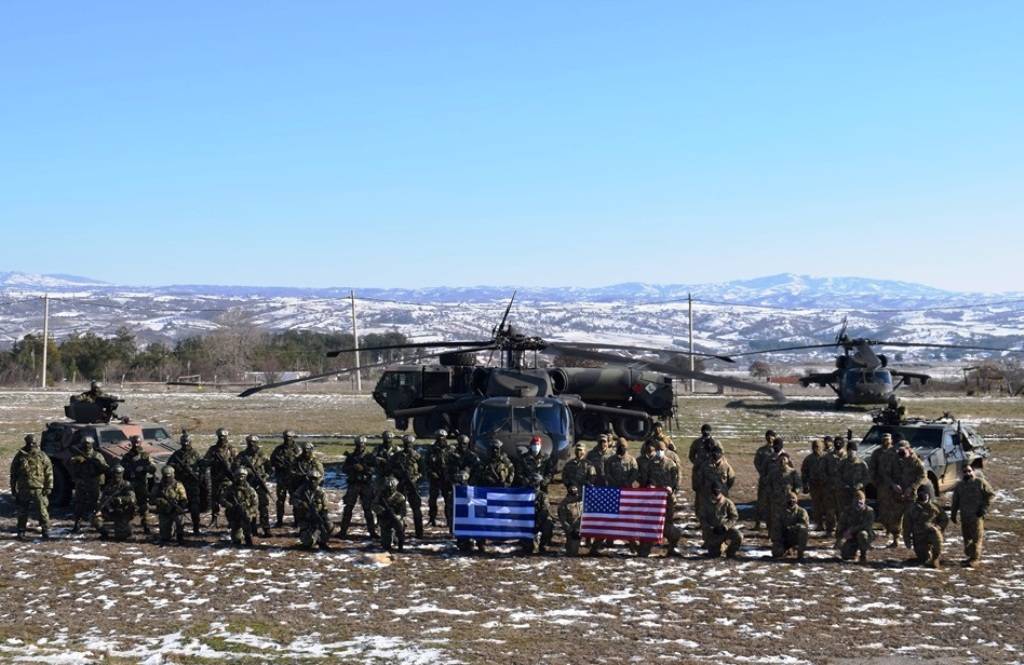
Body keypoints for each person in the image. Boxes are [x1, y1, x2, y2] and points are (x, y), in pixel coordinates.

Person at [637, 441, 681, 557]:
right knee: (651, 522)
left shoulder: (671, 464)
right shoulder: (651, 464)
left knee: (668, 523)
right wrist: (650, 485)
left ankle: (672, 546)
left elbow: (676, 480)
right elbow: (646, 479)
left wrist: (672, 489)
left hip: (668, 499)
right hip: (653, 499)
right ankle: (645, 548)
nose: (659, 452)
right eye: (658, 450)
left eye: (661, 450)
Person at [514, 435, 554, 554]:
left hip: (542, 490)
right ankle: (525, 540)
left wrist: (543, 481)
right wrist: (526, 481)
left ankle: (544, 543)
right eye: (534, 444)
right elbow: (519, 473)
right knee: (525, 515)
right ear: (530, 445)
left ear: (540, 446)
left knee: (545, 514)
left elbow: (550, 473)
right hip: (527, 491)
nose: (535, 447)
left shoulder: (546, 458)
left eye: (537, 445)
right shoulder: (524, 458)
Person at [10, 434, 53, 540]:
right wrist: (13, 488)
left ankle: (45, 530)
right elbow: (13, 473)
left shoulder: (42, 455)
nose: (31, 445)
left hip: (39, 488)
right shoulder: (20, 456)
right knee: (22, 511)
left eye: (33, 443)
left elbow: (49, 472)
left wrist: (49, 487)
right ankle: (21, 531)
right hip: (23, 488)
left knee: (42, 511)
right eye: (29, 443)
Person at [950, 466, 995, 567]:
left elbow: (991, 495)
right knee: (967, 539)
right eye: (965, 472)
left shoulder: (980, 482)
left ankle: (975, 559)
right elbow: (955, 501)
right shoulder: (959, 486)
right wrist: (953, 514)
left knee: (976, 538)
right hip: (964, 517)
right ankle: (970, 556)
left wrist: (983, 509)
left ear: (973, 471)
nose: (967, 473)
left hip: (976, 516)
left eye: (969, 471)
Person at [339, 436, 378, 539]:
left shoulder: (370, 456)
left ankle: (372, 532)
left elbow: (375, 469)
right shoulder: (351, 457)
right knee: (348, 508)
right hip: (354, 484)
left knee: (368, 509)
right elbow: (344, 469)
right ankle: (343, 531)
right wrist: (353, 467)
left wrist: (364, 468)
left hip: (366, 485)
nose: (360, 447)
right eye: (358, 445)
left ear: (365, 445)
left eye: (362, 445)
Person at [167, 432, 205, 535]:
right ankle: (179, 529)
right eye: (184, 442)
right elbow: (169, 466)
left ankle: (196, 527)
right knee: (179, 507)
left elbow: (202, 466)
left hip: (193, 484)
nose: (186, 444)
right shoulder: (176, 454)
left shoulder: (196, 454)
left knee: (195, 508)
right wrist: (177, 467)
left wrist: (199, 475)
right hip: (180, 484)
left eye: (187, 442)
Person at [236, 435, 273, 537]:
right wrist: (246, 471)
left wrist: (265, 476)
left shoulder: (262, 455)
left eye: (254, 442)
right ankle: (252, 529)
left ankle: (266, 529)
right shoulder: (242, 455)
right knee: (250, 507)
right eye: (250, 442)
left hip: (260, 484)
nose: (252, 444)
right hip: (247, 485)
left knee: (263, 506)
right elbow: (236, 467)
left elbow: (270, 469)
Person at [69, 435, 108, 533]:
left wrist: (97, 464)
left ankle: (99, 526)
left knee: (96, 504)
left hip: (94, 483)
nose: (86, 446)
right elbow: (71, 464)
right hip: (81, 482)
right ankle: (77, 524)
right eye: (85, 444)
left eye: (88, 444)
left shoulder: (97, 455)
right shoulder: (78, 455)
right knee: (79, 504)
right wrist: (77, 461)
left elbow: (105, 467)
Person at [904, 485, 949, 569]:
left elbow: (944, 519)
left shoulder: (935, 507)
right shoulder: (912, 508)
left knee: (937, 541)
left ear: (928, 494)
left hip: (932, 532)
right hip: (918, 535)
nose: (923, 495)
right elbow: (906, 525)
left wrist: (938, 527)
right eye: (921, 493)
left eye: (925, 493)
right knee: (923, 559)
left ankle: (935, 558)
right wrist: (907, 540)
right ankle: (926, 556)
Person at [870, 433, 902, 547]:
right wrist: (875, 482)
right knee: (883, 509)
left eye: (888, 439)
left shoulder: (896, 452)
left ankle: (895, 536)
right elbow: (872, 468)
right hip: (882, 486)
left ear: (891, 440)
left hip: (895, 487)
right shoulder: (877, 453)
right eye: (884, 439)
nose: (885, 441)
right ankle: (887, 528)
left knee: (895, 510)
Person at [121, 435, 157, 535]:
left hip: (141, 484)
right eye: (134, 443)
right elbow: (121, 469)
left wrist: (144, 468)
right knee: (129, 504)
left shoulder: (145, 456)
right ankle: (128, 527)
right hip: (130, 484)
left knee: (144, 505)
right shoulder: (127, 456)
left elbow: (153, 468)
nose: (136, 445)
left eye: (137, 443)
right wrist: (128, 471)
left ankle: (146, 525)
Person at [391, 434, 425, 538]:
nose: (408, 446)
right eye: (406, 444)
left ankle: (419, 533)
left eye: (410, 444)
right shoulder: (396, 456)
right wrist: (398, 475)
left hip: (413, 485)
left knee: (417, 510)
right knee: (399, 509)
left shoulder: (418, 456)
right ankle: (399, 532)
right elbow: (390, 469)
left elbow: (423, 471)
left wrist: (416, 478)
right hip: (401, 485)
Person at [203, 428, 236, 527]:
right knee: (214, 500)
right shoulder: (213, 449)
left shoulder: (231, 449)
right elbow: (205, 461)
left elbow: (237, 463)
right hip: (215, 479)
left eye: (224, 437)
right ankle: (214, 520)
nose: (222, 439)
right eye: (220, 437)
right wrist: (213, 462)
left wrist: (229, 468)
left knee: (229, 500)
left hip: (228, 479)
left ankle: (231, 520)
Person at [94, 465, 136, 541]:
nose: (116, 475)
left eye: (118, 473)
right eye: (114, 473)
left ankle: (126, 530)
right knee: (95, 518)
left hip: (123, 512)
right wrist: (99, 508)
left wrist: (119, 499)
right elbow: (103, 499)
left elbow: (132, 499)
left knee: (121, 537)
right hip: (111, 510)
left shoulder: (126, 485)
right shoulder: (109, 485)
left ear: (122, 474)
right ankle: (105, 534)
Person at [699, 485, 742, 559]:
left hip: (725, 530)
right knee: (714, 555)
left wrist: (726, 526)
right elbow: (702, 518)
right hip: (712, 533)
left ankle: (731, 553)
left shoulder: (727, 502)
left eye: (717, 495)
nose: (715, 497)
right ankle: (722, 546)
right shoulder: (705, 504)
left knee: (738, 535)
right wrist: (709, 528)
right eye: (713, 494)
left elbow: (734, 517)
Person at [693, 446, 734, 521]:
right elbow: (699, 478)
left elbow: (731, 478)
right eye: (714, 454)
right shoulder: (705, 466)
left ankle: (722, 525)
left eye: (718, 454)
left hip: (721, 493)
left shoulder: (726, 466)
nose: (716, 456)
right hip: (707, 493)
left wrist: (724, 488)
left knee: (722, 511)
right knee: (706, 511)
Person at [150, 466, 189, 545]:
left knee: (180, 521)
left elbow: (184, 499)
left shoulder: (178, 485)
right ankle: (167, 534)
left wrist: (180, 507)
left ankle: (180, 536)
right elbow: (151, 499)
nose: (167, 478)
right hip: (164, 511)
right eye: (165, 476)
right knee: (165, 537)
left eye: (169, 476)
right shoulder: (158, 486)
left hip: (175, 510)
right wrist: (160, 501)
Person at [221, 467, 259, 547]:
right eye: (238, 476)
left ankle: (248, 537)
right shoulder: (230, 489)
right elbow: (222, 499)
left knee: (247, 529)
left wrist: (249, 511)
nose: (240, 478)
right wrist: (230, 505)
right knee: (236, 540)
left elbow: (255, 503)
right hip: (234, 513)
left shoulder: (250, 489)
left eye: (242, 476)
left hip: (246, 513)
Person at [270, 430, 300, 527]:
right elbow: (272, 461)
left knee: (295, 500)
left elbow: (301, 463)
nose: (288, 439)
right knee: (280, 501)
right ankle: (279, 521)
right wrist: (280, 466)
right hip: (281, 479)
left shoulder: (298, 450)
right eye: (286, 437)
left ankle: (297, 521)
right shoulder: (278, 449)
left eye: (290, 437)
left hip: (294, 480)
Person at [290, 441, 325, 525]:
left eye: (308, 450)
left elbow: (321, 475)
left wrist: (314, 482)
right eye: (305, 450)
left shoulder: (315, 462)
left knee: (315, 505)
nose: (306, 452)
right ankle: (298, 523)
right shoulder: (297, 461)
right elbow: (291, 472)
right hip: (299, 485)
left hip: (312, 487)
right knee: (298, 506)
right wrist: (298, 476)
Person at [296, 470, 333, 550]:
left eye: (315, 479)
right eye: (311, 478)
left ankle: (322, 542)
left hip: (317, 515)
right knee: (307, 543)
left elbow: (325, 507)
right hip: (305, 518)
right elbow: (293, 499)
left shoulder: (321, 492)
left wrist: (324, 517)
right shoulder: (302, 489)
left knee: (329, 526)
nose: (313, 481)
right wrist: (301, 503)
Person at [836, 490, 875, 563]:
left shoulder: (869, 511)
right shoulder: (847, 510)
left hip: (865, 535)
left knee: (862, 534)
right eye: (856, 502)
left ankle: (863, 555)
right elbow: (841, 524)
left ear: (864, 501)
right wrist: (840, 537)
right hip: (851, 536)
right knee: (845, 556)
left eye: (860, 502)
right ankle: (853, 551)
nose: (858, 504)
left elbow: (866, 526)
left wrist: (851, 530)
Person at [426, 429, 455, 529]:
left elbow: (455, 464)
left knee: (448, 500)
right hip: (435, 478)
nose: (441, 440)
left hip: (446, 479)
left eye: (442, 438)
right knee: (432, 500)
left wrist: (450, 475)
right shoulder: (431, 450)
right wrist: (431, 473)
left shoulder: (451, 449)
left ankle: (449, 520)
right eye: (439, 438)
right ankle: (432, 518)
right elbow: (426, 464)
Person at [766, 451, 801, 532]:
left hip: (789, 500)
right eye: (780, 460)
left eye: (784, 459)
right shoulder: (773, 472)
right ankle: (773, 534)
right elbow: (768, 484)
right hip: (776, 500)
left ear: (788, 460)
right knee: (775, 518)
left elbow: (798, 485)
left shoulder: (793, 472)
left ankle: (789, 534)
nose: (782, 461)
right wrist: (770, 493)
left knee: (789, 518)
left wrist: (795, 493)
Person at [771, 491, 809, 561]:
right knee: (777, 553)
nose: (791, 500)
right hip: (784, 537)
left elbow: (804, 525)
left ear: (796, 500)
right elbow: (776, 527)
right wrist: (777, 541)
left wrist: (792, 528)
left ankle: (800, 552)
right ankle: (787, 549)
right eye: (789, 499)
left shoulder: (802, 511)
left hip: (796, 536)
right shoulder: (780, 512)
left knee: (803, 529)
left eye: (793, 498)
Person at [373, 476, 408, 553]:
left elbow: (403, 511)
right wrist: (382, 511)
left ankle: (398, 542)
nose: (390, 489)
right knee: (385, 545)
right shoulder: (380, 496)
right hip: (385, 518)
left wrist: (398, 516)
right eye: (388, 488)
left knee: (400, 527)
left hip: (396, 518)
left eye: (392, 487)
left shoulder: (400, 497)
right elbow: (374, 505)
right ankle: (388, 539)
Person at [799, 439, 828, 531]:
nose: (816, 449)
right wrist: (805, 484)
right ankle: (819, 524)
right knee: (816, 506)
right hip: (814, 485)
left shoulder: (827, 457)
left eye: (818, 447)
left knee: (828, 506)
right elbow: (804, 472)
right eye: (814, 447)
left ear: (822, 447)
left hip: (826, 485)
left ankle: (830, 525)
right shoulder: (809, 459)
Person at [836, 440, 870, 513]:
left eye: (853, 450)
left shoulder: (862, 464)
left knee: (858, 512)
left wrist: (860, 484)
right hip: (845, 493)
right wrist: (843, 485)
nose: (851, 452)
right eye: (849, 450)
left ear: (856, 451)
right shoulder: (842, 463)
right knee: (845, 512)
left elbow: (867, 477)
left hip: (858, 493)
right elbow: (837, 476)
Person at [752, 430, 776, 530]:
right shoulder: (761, 450)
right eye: (768, 436)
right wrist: (762, 472)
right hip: (764, 480)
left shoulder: (778, 450)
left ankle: (771, 524)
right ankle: (757, 523)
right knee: (761, 502)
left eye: (772, 436)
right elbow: (756, 462)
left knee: (773, 502)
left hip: (775, 481)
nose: (770, 438)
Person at [558, 485, 584, 556]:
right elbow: (563, 520)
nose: (576, 496)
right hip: (570, 528)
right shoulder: (564, 504)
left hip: (579, 527)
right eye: (573, 494)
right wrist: (570, 529)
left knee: (575, 550)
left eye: (576, 494)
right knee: (572, 552)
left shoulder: (580, 503)